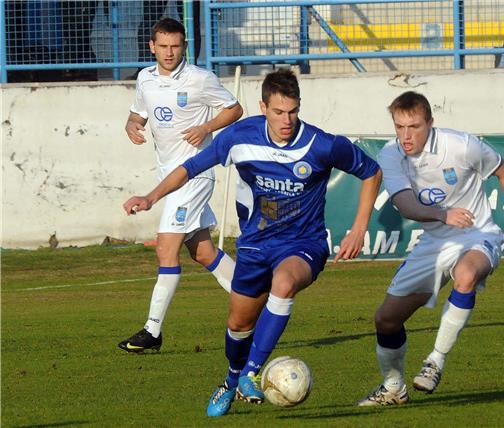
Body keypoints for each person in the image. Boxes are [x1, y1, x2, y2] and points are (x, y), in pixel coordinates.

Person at [123, 69, 382, 416]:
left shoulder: (322, 144)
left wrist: (358, 228)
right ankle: (231, 380)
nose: (286, 120)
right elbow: (191, 167)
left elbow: (371, 171)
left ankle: (252, 371)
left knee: (285, 282)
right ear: (263, 107)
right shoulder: (239, 137)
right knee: (238, 324)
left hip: (303, 243)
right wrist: (152, 196)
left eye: (292, 111)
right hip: (256, 245)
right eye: (278, 112)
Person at [357, 91, 504, 406]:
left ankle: (435, 360)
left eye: (414, 126)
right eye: (399, 127)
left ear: (431, 123)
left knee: (466, 274)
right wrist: (442, 215)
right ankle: (394, 388)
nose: (406, 135)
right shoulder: (390, 154)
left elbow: (503, 170)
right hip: (434, 241)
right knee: (386, 319)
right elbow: (405, 204)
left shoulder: (462, 145)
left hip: (477, 233)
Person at [118, 17, 243, 353]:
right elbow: (137, 115)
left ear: (184, 46)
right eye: (163, 46)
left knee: (165, 248)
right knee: (203, 252)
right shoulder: (145, 79)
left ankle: (152, 331)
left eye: (175, 46)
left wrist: (206, 128)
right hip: (167, 177)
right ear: (152, 47)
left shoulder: (201, 79)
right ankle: (253, 299)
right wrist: (131, 126)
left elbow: (234, 109)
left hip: (195, 175)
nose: (169, 53)